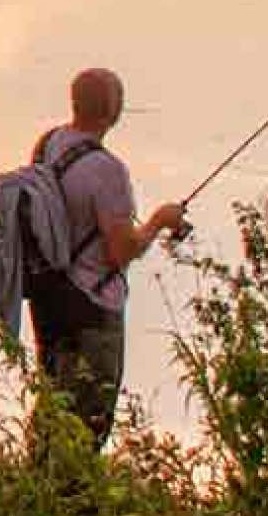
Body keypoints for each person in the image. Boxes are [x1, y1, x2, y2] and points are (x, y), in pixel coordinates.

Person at [27, 66, 187, 447]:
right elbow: (121, 251)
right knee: (90, 412)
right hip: (92, 307)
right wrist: (160, 221)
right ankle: (74, 497)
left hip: (51, 296)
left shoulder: (48, 144)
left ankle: (39, 486)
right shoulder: (107, 171)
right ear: (113, 111)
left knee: (54, 398)